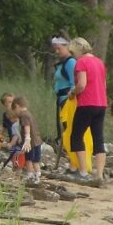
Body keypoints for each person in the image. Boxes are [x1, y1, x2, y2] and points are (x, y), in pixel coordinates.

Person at [68, 37, 108, 183]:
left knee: (77, 136)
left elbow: (82, 84)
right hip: (101, 103)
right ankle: (100, 174)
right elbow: (104, 84)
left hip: (86, 103)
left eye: (73, 52)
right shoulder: (99, 62)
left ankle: (83, 171)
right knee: (98, 138)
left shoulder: (81, 62)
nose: (73, 56)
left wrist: (73, 93)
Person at [50, 37, 79, 171]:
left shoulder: (71, 62)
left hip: (68, 100)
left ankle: (75, 163)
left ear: (67, 47)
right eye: (55, 48)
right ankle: (71, 161)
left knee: (69, 130)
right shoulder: (61, 63)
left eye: (59, 48)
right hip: (61, 99)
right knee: (64, 131)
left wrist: (71, 100)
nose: (57, 51)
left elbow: (74, 82)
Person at [12, 96, 43, 182]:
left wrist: (27, 139)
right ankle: (37, 175)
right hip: (37, 141)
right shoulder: (29, 114)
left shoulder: (23, 115)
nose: (15, 113)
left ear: (17, 106)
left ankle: (30, 175)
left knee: (28, 159)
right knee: (36, 160)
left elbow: (27, 126)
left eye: (15, 110)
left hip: (31, 142)